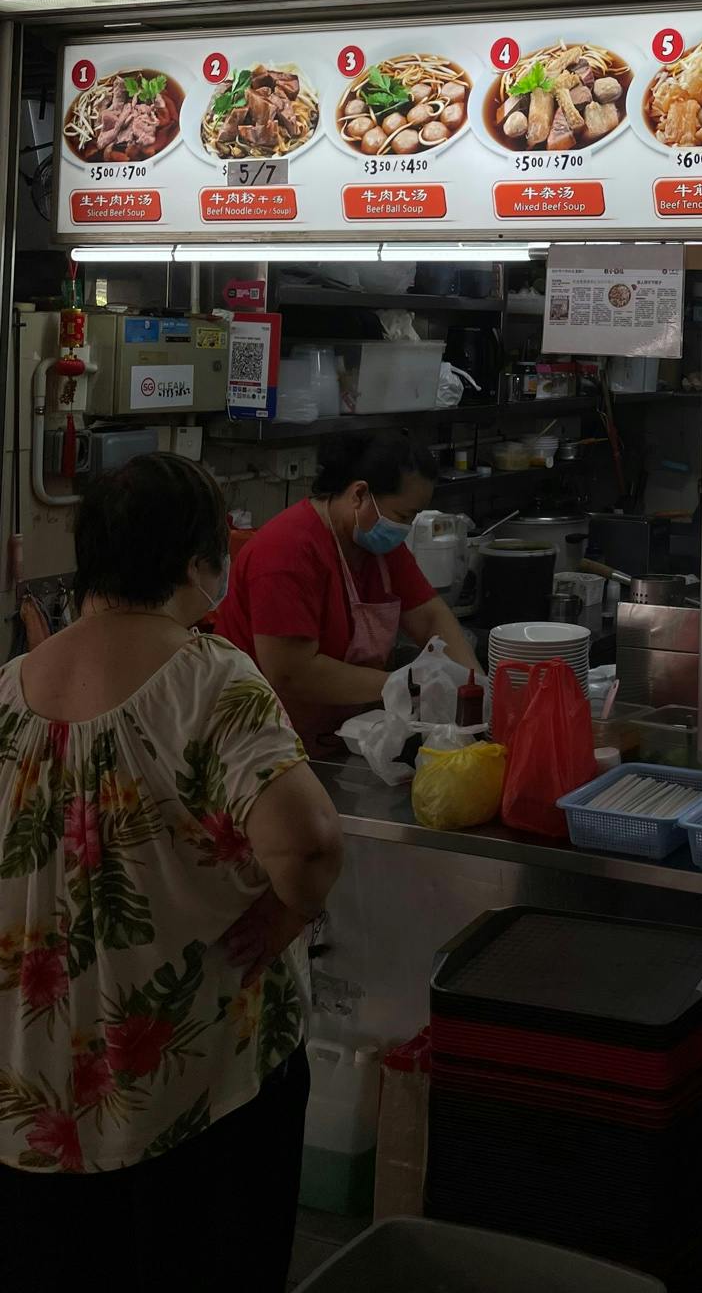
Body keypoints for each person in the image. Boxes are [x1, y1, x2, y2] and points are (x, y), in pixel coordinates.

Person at [0, 452, 342, 1290]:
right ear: (197, 561)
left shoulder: (8, 688)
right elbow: (310, 844)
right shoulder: (208, 680)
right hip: (193, 1092)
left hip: (32, 1097)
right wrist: (289, 915)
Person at [214, 426, 481, 753]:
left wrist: (475, 688)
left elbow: (429, 617)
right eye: (402, 515)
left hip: (341, 739)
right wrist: (400, 684)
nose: (404, 529)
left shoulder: (379, 547)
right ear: (358, 494)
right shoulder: (286, 551)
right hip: (263, 745)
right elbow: (292, 672)